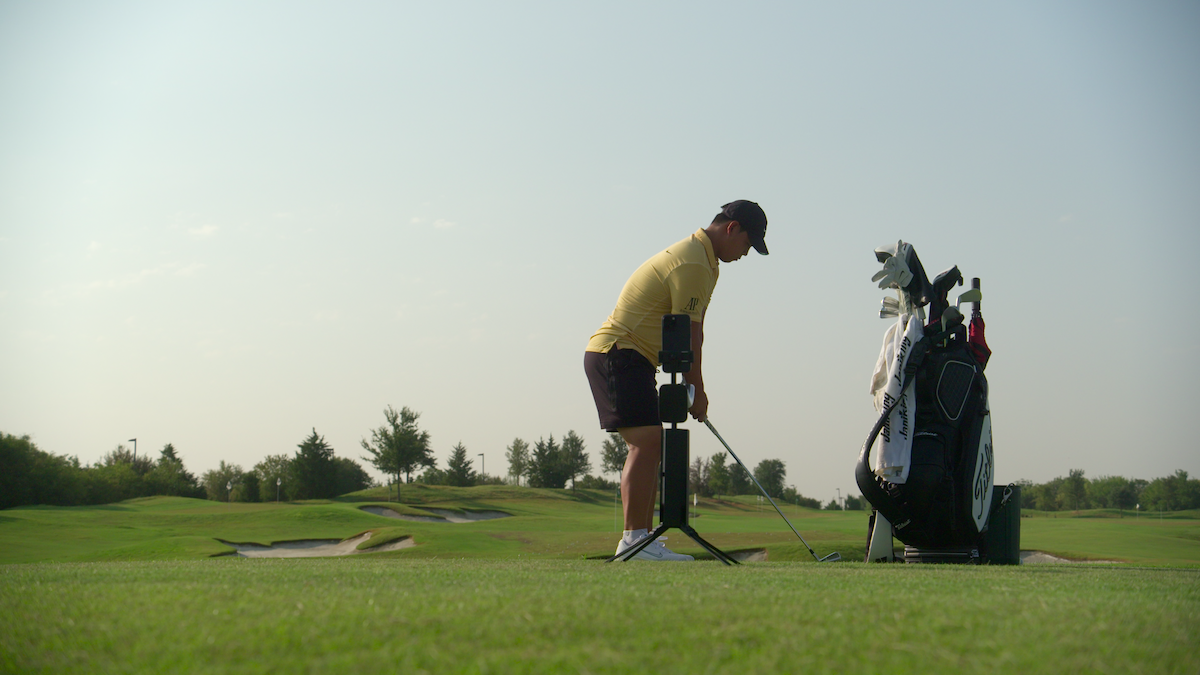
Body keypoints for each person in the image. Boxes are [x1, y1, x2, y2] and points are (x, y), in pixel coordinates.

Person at [584, 200, 769, 561]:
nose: (746, 253)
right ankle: (634, 542)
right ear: (732, 229)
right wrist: (696, 389)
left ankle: (640, 540)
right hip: (618, 353)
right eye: (748, 244)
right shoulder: (693, 262)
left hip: (632, 358)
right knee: (647, 442)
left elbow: (684, 332)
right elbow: (689, 335)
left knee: (651, 442)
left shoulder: (705, 260)